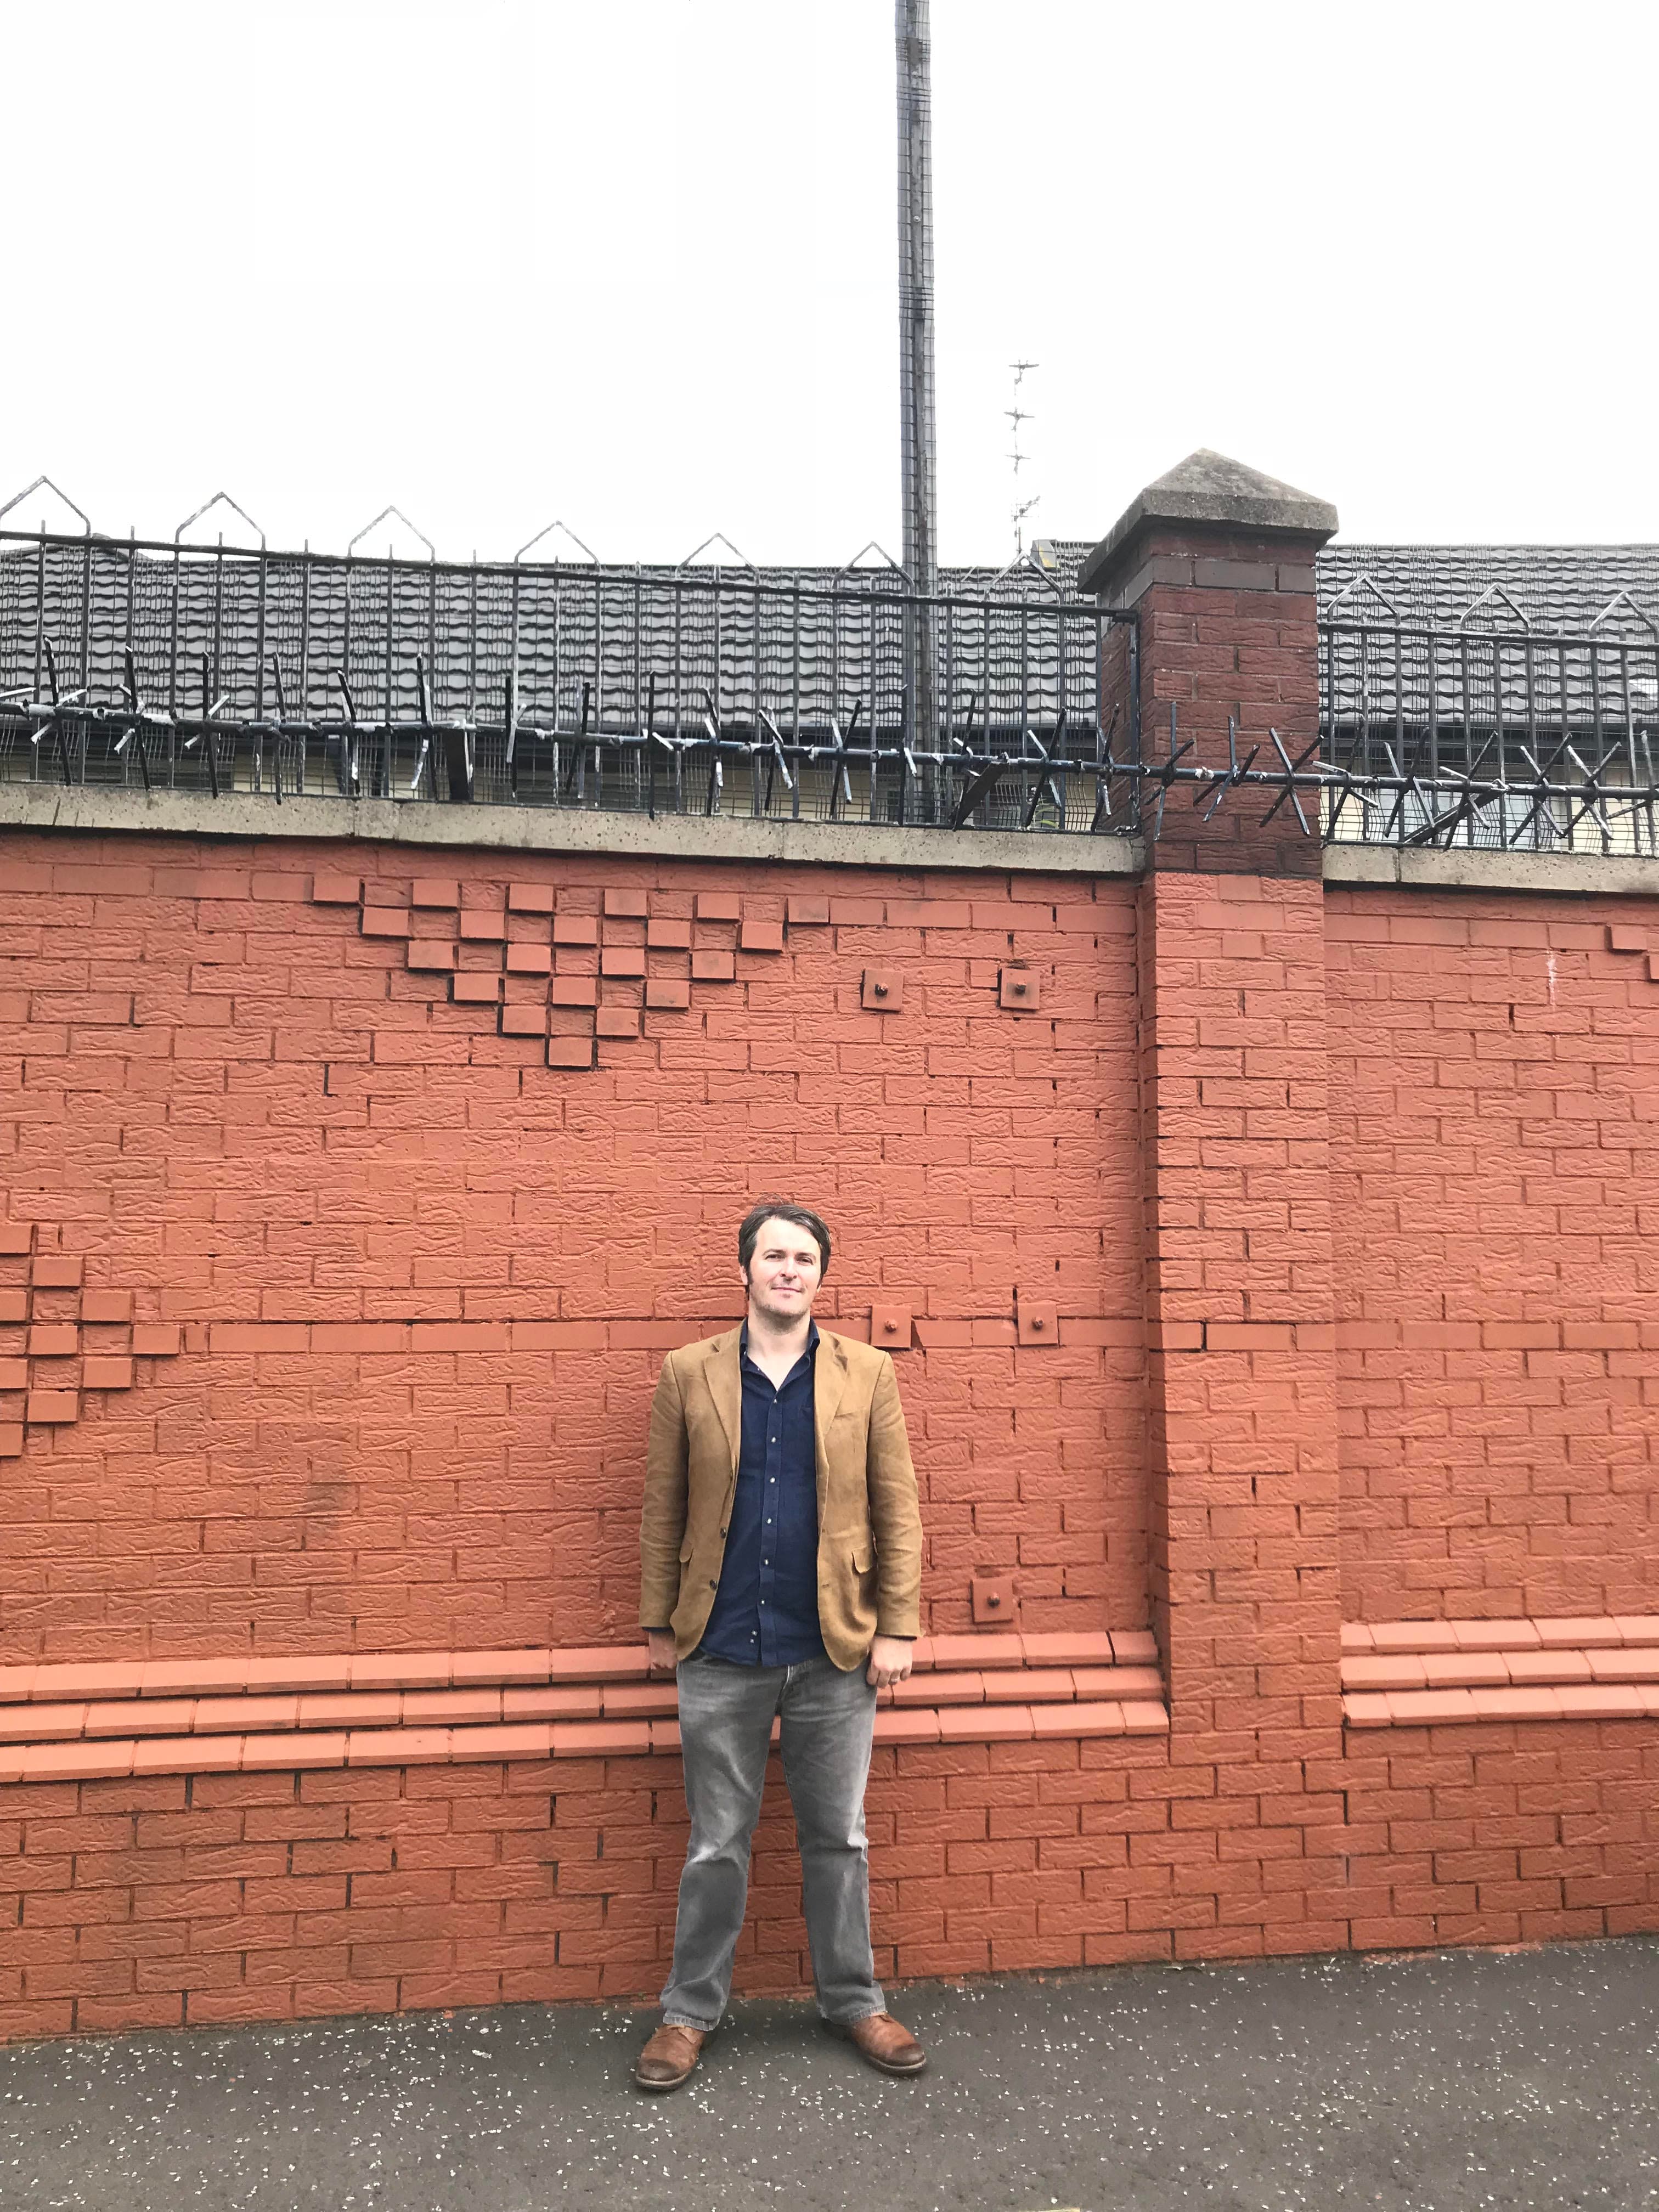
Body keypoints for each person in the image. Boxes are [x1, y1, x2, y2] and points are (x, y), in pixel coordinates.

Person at [633, 1200, 927, 2091]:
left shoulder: (867, 1373)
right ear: (746, 1270)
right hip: (719, 1647)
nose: (789, 1270)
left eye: (804, 1258)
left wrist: (900, 1625)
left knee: (838, 1836)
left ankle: (854, 2000)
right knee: (717, 1841)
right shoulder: (689, 1372)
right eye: (774, 1256)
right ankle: (687, 2015)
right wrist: (657, 1621)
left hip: (835, 1650)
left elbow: (897, 1507)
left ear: (821, 1276)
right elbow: (662, 1506)